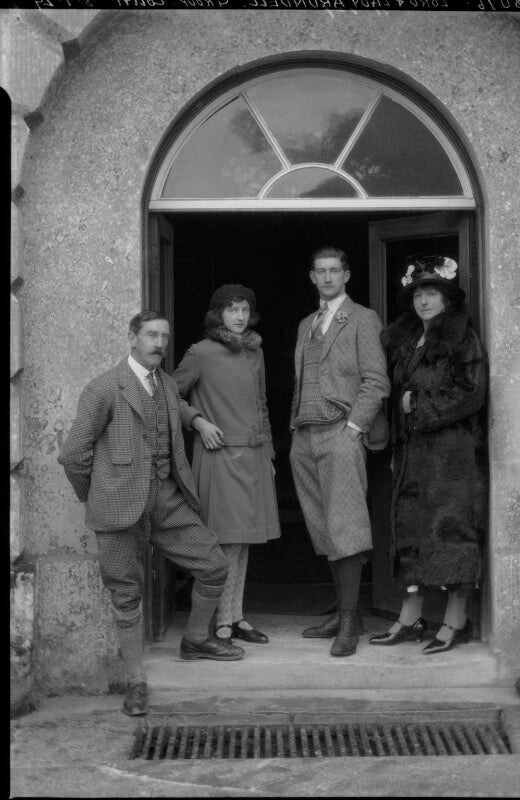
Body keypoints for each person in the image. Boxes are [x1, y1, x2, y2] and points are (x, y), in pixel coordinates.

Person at [58, 311, 245, 718]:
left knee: (213, 564)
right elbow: (73, 454)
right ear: (132, 338)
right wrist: (96, 493)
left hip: (163, 496)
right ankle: (136, 683)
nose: (159, 343)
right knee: (126, 592)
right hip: (118, 503)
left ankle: (195, 639)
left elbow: (175, 405)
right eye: (150, 335)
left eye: (164, 336)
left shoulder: (164, 384)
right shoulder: (104, 388)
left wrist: (194, 417)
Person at [370, 254, 487, 654]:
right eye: (419, 293)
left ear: (447, 299)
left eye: (432, 293)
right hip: (411, 453)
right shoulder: (404, 339)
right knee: (410, 530)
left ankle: (456, 621)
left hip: (450, 455)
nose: (423, 301)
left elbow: (472, 392)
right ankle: (411, 616)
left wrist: (416, 404)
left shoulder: (461, 337)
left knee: (451, 530)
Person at [290, 246, 390, 657]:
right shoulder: (306, 324)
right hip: (305, 435)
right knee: (323, 527)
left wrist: (354, 429)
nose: (328, 277)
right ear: (312, 277)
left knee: (345, 525)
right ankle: (344, 611)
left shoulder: (362, 319)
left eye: (335, 270)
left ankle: (350, 620)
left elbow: (376, 380)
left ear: (346, 275)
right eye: (321, 272)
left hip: (341, 431)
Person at [174, 285, 280, 645]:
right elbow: (166, 394)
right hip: (219, 455)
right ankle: (220, 621)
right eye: (232, 309)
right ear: (217, 314)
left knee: (244, 543)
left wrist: (268, 453)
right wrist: (198, 422)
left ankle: (236, 616)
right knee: (225, 544)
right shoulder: (200, 353)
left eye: (245, 310)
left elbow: (262, 404)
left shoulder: (255, 351)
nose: (239, 316)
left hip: (254, 455)